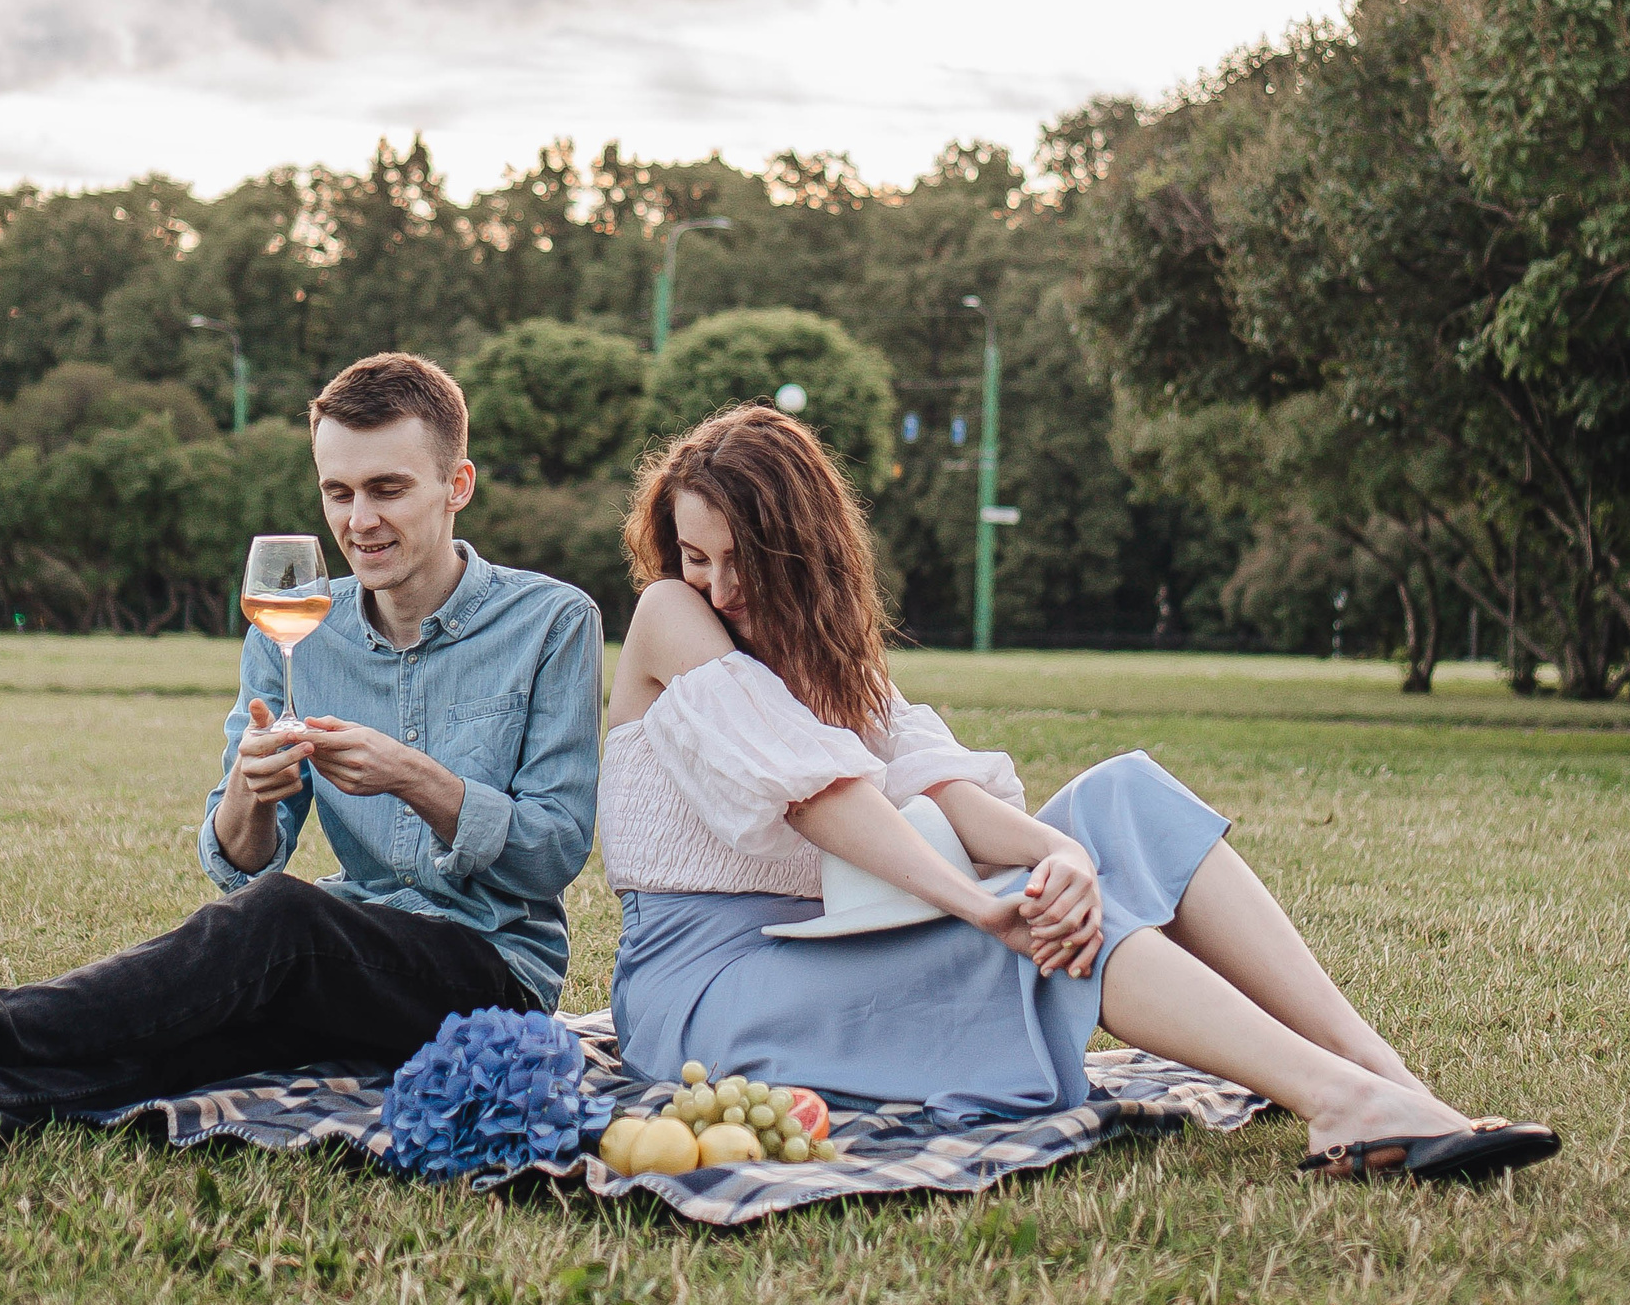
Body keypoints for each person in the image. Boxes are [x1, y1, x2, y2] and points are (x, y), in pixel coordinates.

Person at [601, 405, 1558, 1182]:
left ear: (804, 554)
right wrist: (985, 904)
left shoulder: (820, 653)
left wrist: (1059, 854)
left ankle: (1385, 1075)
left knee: (1124, 799)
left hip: (832, 942)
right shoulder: (668, 617)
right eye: (697, 555)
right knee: (1036, 931)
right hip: (709, 988)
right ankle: (1341, 1106)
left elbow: (933, 782)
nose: (719, 586)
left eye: (744, 562)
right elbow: (823, 797)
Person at [0, 353, 603, 1163]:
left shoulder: (554, 622)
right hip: (348, 957)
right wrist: (254, 795)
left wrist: (415, 776)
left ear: (458, 485)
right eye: (336, 491)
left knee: (279, 923)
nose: (357, 520)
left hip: (491, 976)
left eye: (387, 488)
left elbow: (554, 852)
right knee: (199, 1032)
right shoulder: (294, 618)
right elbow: (241, 857)